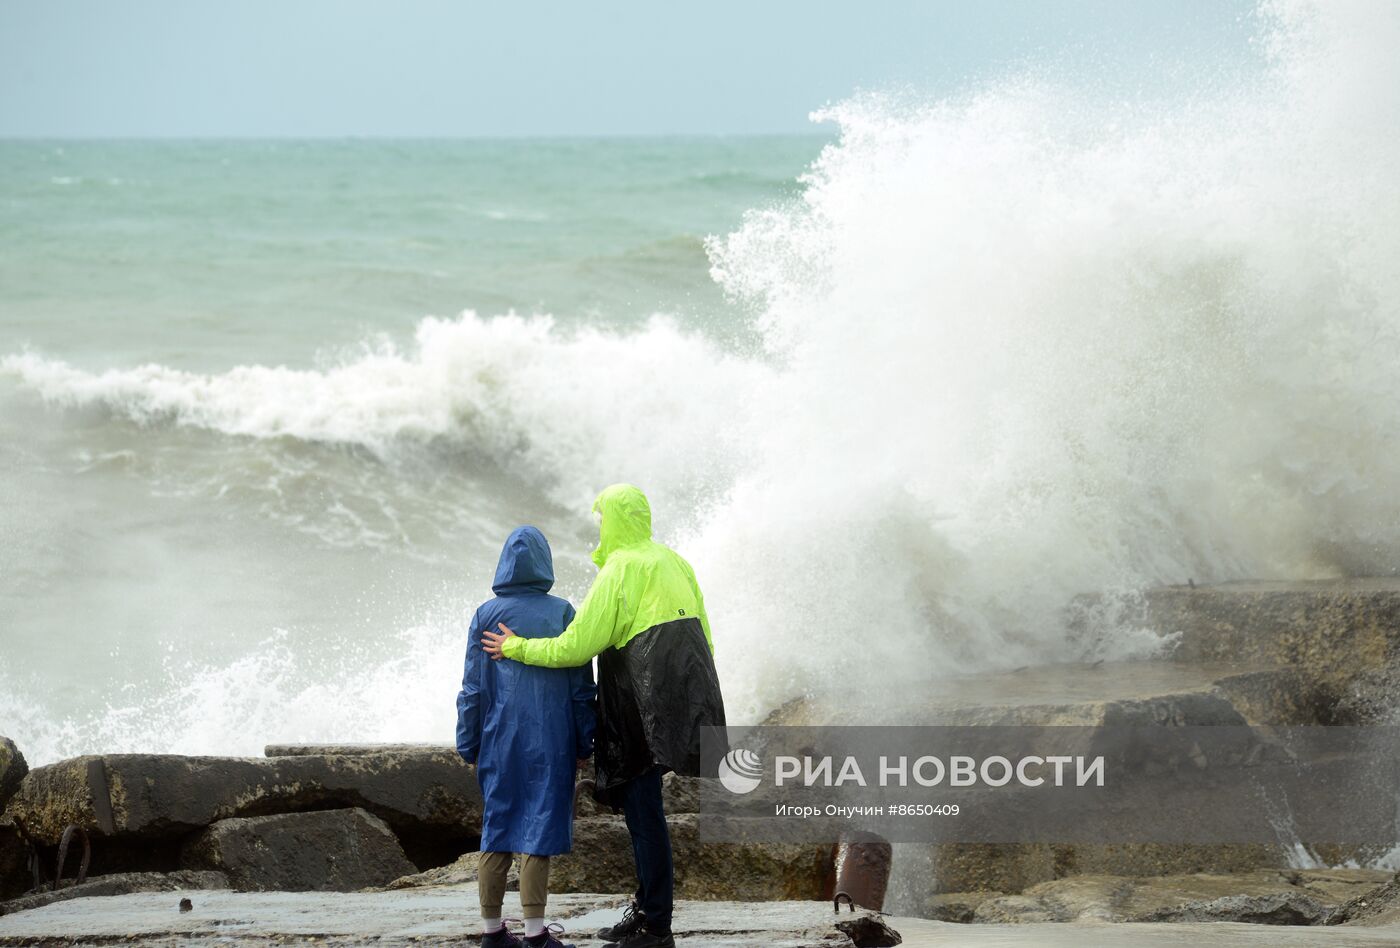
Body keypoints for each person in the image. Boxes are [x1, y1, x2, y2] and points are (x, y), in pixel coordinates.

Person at [482, 484, 725, 948]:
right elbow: (706, 639)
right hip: (683, 697)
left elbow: (576, 647)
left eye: (601, 519)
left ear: (613, 520)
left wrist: (514, 647)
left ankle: (656, 925)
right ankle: (648, 911)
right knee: (647, 810)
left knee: (644, 813)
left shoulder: (620, 570)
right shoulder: (676, 562)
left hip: (638, 703)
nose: (599, 528)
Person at [457, 526, 597, 948]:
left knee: (497, 826)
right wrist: (584, 741)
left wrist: (468, 741)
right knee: (539, 828)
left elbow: (472, 687)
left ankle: (492, 932)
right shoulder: (562, 613)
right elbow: (580, 688)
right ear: (545, 563)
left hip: (498, 738)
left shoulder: (485, 614)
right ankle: (536, 934)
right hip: (552, 740)